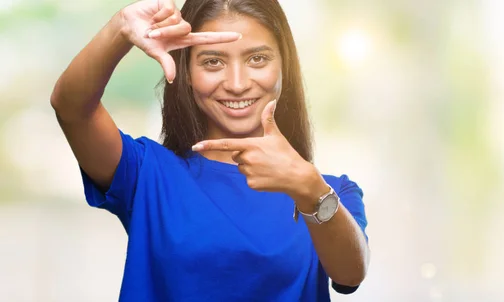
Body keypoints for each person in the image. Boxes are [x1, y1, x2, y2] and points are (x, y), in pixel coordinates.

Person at [50, 0, 370, 301]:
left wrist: (309, 187)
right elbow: (71, 108)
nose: (236, 83)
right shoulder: (146, 173)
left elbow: (350, 274)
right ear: (187, 72)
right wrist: (121, 28)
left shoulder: (331, 192)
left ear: (284, 67)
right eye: (213, 61)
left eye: (257, 59)